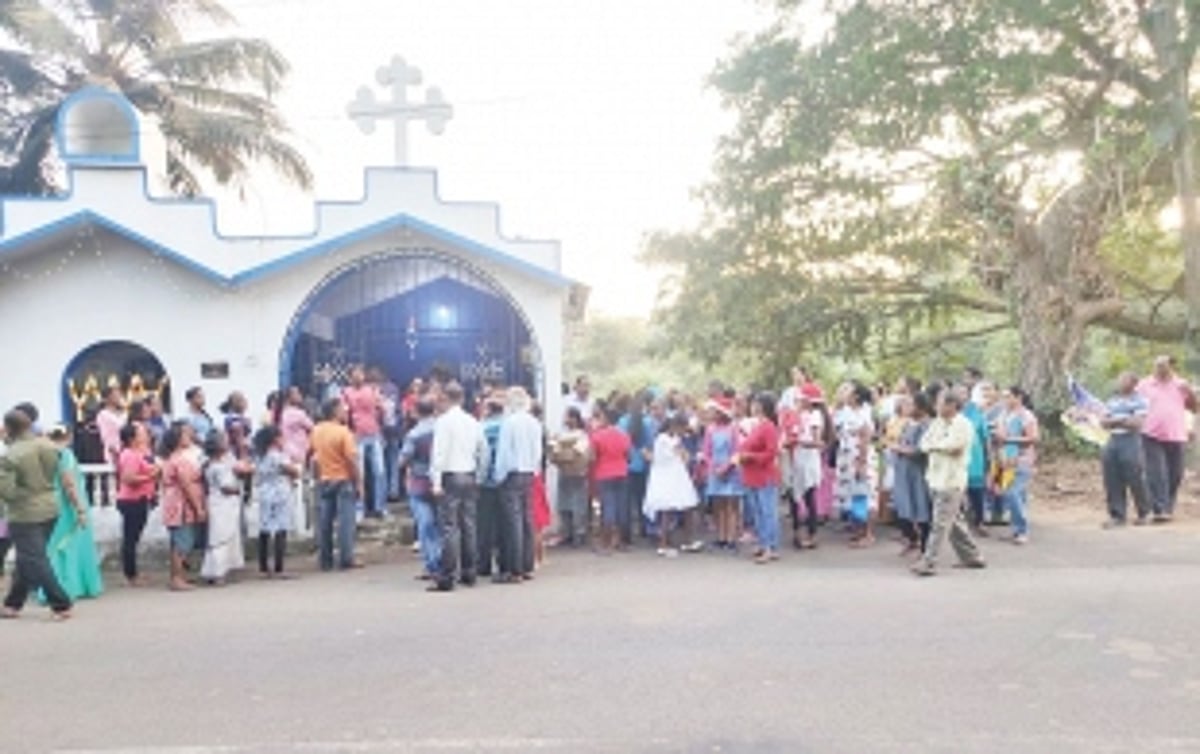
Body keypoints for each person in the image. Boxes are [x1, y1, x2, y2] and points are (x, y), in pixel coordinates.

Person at [0, 410, 73, 620]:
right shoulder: (48, 445)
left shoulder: (12, 455)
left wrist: (22, 494)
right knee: (28, 557)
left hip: (25, 512)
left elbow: (6, 491)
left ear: (10, 428)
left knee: (35, 559)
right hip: (50, 504)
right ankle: (13, 603)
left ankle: (61, 603)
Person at [912, 391, 986, 576]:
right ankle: (972, 557)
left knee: (939, 523)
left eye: (940, 403)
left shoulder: (963, 424)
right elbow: (923, 444)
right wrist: (937, 446)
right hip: (935, 477)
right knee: (953, 522)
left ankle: (929, 562)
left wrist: (935, 446)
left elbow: (954, 446)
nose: (936, 407)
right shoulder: (937, 423)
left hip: (951, 480)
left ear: (952, 405)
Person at [429, 382, 488, 593]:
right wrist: (479, 476)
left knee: (450, 527)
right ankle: (469, 572)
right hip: (469, 474)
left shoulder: (443, 422)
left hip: (450, 475)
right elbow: (483, 450)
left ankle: (447, 576)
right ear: (462, 398)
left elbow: (439, 453)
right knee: (469, 525)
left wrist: (435, 481)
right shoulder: (473, 421)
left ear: (446, 398)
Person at [44, 425, 104, 601]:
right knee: (71, 545)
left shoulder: (46, 455)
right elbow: (69, 483)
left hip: (52, 503)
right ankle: (70, 586)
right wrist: (79, 509)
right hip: (68, 505)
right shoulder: (65, 455)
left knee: (54, 545)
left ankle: (52, 586)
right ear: (68, 437)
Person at [492, 386, 544, 583]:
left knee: (513, 522)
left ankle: (515, 569)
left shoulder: (509, 423)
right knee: (527, 519)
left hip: (512, 475)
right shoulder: (534, 423)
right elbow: (538, 452)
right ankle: (527, 565)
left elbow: (504, 454)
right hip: (529, 474)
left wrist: (499, 477)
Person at [1138, 356, 1195, 523]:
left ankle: (1167, 507)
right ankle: (1160, 509)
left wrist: (1190, 392)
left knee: (1176, 473)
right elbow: (1134, 403)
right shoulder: (1144, 384)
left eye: (1165, 365)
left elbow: (1194, 408)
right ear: (1154, 366)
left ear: (1171, 367)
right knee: (1156, 471)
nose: (1161, 368)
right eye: (1158, 365)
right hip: (1150, 434)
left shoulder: (1181, 384)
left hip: (1176, 434)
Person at [310, 399, 362, 572]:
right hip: (343, 479)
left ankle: (325, 559)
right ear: (334, 412)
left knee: (325, 522)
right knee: (345, 522)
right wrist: (359, 482)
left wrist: (316, 476)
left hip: (324, 479)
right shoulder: (343, 432)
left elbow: (313, 456)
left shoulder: (316, 430)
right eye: (342, 410)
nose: (345, 412)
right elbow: (351, 460)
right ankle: (346, 558)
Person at [643, 415, 702, 556]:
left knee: (688, 507)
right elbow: (671, 457)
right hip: (667, 477)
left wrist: (683, 453)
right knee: (667, 510)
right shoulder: (663, 439)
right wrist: (681, 453)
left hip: (678, 475)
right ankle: (663, 544)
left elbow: (684, 456)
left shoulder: (675, 439)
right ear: (675, 426)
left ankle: (688, 540)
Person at [160, 422, 206, 591]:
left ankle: (179, 576)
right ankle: (177, 577)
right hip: (181, 504)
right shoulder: (179, 460)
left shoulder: (173, 458)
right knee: (182, 541)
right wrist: (198, 507)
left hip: (176, 501)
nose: (189, 437)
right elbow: (186, 485)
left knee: (179, 540)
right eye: (185, 435)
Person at [1101, 372, 1151, 528]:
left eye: (1123, 379)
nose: (1119, 382)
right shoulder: (1112, 400)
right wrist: (1123, 419)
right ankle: (1117, 515)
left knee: (1135, 476)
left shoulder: (1141, 400)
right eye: (1119, 379)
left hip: (1131, 440)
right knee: (1112, 478)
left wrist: (1114, 421)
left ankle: (1144, 512)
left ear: (1133, 383)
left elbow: (1137, 423)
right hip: (1112, 440)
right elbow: (1103, 422)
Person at [399, 398, 441, 580]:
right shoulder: (443, 428)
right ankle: (444, 561)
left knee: (425, 525)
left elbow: (403, 459)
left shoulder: (414, 434)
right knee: (442, 524)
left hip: (419, 481)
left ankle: (432, 564)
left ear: (416, 412)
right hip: (441, 480)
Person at [739, 393, 781, 564]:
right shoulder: (757, 425)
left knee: (767, 512)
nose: (753, 406)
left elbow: (771, 453)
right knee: (758, 512)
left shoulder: (769, 427)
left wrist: (750, 456)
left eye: (756, 404)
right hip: (753, 474)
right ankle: (764, 544)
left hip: (764, 475)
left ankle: (770, 546)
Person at [199, 431, 246, 585]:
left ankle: (212, 571)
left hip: (215, 502)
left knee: (217, 537)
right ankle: (219, 573)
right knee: (222, 537)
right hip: (223, 503)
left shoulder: (209, 465)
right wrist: (238, 490)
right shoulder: (220, 467)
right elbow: (225, 487)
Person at [254, 425, 301, 578]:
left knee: (265, 529)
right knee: (281, 528)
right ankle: (279, 567)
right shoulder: (278, 456)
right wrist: (295, 471)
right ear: (275, 440)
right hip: (279, 493)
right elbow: (292, 471)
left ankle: (263, 567)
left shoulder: (260, 456)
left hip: (264, 492)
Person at [115, 422, 157, 586]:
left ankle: (133, 572)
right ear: (133, 438)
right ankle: (130, 575)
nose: (145, 433)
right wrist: (151, 477)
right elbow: (128, 478)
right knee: (130, 539)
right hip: (132, 500)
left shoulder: (139, 452)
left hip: (140, 498)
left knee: (133, 537)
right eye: (141, 432)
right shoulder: (130, 455)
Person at [995, 387, 1039, 545]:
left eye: (1008, 397)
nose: (1005, 400)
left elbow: (1033, 438)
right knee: (1013, 494)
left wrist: (1009, 440)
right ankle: (1017, 529)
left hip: (1022, 460)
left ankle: (1022, 530)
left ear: (1018, 398)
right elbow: (999, 438)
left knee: (1013, 493)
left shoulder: (1026, 416)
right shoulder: (1003, 415)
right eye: (1004, 397)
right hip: (1006, 459)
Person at [342, 366, 387, 519]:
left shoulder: (372, 390)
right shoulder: (346, 392)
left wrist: (381, 413)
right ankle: (359, 508)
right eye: (355, 374)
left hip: (374, 433)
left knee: (379, 472)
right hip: (357, 436)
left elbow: (383, 410)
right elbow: (343, 415)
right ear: (350, 377)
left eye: (361, 374)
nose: (359, 377)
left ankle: (380, 507)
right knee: (359, 473)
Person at [836, 383, 878, 547]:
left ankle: (869, 534)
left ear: (856, 397)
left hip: (860, 457)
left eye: (849, 392)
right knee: (854, 495)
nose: (845, 395)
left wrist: (862, 462)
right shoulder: (846, 412)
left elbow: (865, 437)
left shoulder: (864, 412)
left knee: (867, 495)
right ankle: (859, 530)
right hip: (847, 458)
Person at [891, 393, 932, 556]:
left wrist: (901, 449)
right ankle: (912, 539)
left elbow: (922, 449)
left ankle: (925, 547)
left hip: (918, 472)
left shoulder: (926, 425)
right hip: (904, 471)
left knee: (921, 507)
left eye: (911, 405)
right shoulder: (909, 424)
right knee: (903, 507)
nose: (907, 408)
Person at [789, 384, 828, 550]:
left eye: (801, 398)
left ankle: (812, 534)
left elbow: (817, 442)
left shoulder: (815, 416)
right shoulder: (798, 415)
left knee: (808, 497)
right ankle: (797, 532)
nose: (798, 400)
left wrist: (799, 441)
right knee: (793, 496)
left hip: (807, 459)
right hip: (796, 458)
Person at [703, 397, 744, 551]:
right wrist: (713, 467)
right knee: (719, 506)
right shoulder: (710, 429)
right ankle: (721, 537)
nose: (711, 414)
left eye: (714, 411)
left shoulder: (733, 429)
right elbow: (706, 452)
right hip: (715, 469)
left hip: (731, 470)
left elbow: (736, 451)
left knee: (731, 506)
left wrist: (726, 467)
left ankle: (731, 537)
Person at [591, 408, 632, 555]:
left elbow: (593, 456)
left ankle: (606, 543)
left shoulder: (597, 436)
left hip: (604, 473)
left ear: (606, 419)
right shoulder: (624, 435)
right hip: (622, 471)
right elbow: (628, 455)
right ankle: (621, 541)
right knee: (621, 507)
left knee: (608, 508)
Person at [619, 396, 657, 545]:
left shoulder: (622, 421)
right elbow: (650, 443)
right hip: (642, 464)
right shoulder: (647, 422)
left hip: (626, 464)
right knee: (643, 498)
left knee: (626, 502)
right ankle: (645, 528)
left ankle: (626, 533)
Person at [550, 407, 591, 547]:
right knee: (564, 504)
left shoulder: (581, 435)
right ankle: (567, 532)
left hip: (577, 474)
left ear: (574, 419)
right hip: (565, 473)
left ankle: (579, 533)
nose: (565, 420)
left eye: (568, 417)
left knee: (577, 504)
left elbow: (578, 452)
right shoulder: (562, 434)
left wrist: (563, 455)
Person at [476, 396, 505, 577]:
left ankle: (484, 564)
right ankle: (503, 561)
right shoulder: (508, 427)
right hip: (504, 481)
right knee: (502, 525)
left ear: (488, 410)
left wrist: (478, 478)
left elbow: (481, 456)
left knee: (484, 526)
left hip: (486, 482)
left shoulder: (481, 428)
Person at [278, 386, 314, 465]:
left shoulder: (283, 412)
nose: (300, 395)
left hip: (286, 450)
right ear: (289, 398)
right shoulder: (298, 413)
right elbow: (312, 427)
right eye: (297, 393)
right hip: (298, 451)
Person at [96, 386, 126, 467]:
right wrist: (114, 451)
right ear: (107, 398)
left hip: (126, 452)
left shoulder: (124, 414)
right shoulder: (103, 415)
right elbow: (104, 436)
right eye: (115, 395)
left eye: (119, 395)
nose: (119, 398)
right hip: (113, 453)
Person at [220, 391, 253, 463]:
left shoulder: (240, 418)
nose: (246, 402)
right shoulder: (235, 419)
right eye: (243, 400)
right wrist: (243, 457)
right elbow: (239, 439)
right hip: (238, 453)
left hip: (243, 450)